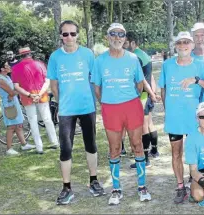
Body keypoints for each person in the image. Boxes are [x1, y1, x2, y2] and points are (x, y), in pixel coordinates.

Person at [92, 23, 152, 205]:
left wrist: (129, 97)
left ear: (125, 39)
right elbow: (97, 87)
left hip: (132, 106)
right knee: (114, 149)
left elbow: (140, 83)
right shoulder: (99, 60)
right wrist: (109, 101)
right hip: (111, 108)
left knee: (137, 145)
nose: (117, 38)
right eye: (113, 34)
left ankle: (142, 187)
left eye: (121, 35)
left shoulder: (133, 58)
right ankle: (116, 190)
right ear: (107, 37)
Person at [47, 20, 104, 205]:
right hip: (66, 110)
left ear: (77, 35)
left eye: (72, 33)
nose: (69, 37)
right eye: (65, 34)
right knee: (65, 149)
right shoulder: (55, 57)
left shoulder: (87, 54)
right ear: (60, 36)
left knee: (91, 145)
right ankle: (66, 187)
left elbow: (95, 79)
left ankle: (93, 180)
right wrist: (62, 102)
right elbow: (53, 85)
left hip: (87, 107)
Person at [158, 31, 204, 204]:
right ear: (175, 46)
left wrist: (196, 80)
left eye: (187, 42)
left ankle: (196, 182)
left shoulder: (199, 65)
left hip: (194, 120)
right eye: (180, 42)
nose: (183, 45)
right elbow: (163, 88)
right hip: (175, 119)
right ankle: (179, 186)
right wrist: (168, 108)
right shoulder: (167, 65)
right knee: (176, 153)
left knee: (196, 153)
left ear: (192, 45)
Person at [12, 47, 59, 154]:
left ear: (20, 56)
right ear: (30, 54)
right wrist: (39, 94)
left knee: (33, 121)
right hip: (41, 95)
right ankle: (55, 142)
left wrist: (30, 95)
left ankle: (39, 147)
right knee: (47, 119)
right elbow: (47, 81)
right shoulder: (40, 64)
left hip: (27, 97)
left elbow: (16, 86)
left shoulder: (15, 68)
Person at [126, 31, 160, 168]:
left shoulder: (135, 57)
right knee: (150, 123)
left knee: (143, 127)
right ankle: (154, 150)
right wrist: (154, 91)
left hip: (142, 96)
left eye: (126, 42)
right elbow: (150, 76)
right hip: (148, 94)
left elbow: (140, 80)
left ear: (133, 43)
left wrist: (150, 94)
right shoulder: (144, 54)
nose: (123, 45)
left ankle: (145, 160)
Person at [0, 62, 36, 155]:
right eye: (7, 66)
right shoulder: (0, 79)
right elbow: (11, 92)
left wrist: (15, 92)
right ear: (2, 69)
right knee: (11, 127)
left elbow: (13, 91)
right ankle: (9, 149)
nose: (9, 67)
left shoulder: (7, 77)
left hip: (14, 103)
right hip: (9, 105)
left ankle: (24, 144)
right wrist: (16, 91)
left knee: (19, 125)